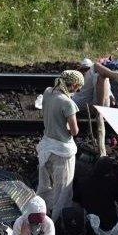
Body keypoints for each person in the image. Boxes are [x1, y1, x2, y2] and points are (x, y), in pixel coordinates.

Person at [37, 70, 83, 220]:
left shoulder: (48, 92)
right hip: (62, 151)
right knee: (62, 191)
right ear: (74, 85)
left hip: (46, 147)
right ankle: (56, 222)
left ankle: (39, 213)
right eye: (78, 87)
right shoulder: (67, 103)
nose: (78, 90)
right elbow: (74, 131)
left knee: (45, 186)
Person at [72, 58, 118, 156]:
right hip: (81, 103)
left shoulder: (96, 77)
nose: (85, 72)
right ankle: (116, 75)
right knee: (97, 68)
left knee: (101, 76)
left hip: (96, 104)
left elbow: (112, 101)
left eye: (86, 69)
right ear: (79, 70)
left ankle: (100, 112)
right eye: (84, 69)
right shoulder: (76, 78)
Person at [72, 156, 118, 235]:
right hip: (112, 230)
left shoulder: (81, 182)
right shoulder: (114, 183)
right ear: (110, 171)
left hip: (89, 227)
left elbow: (75, 206)